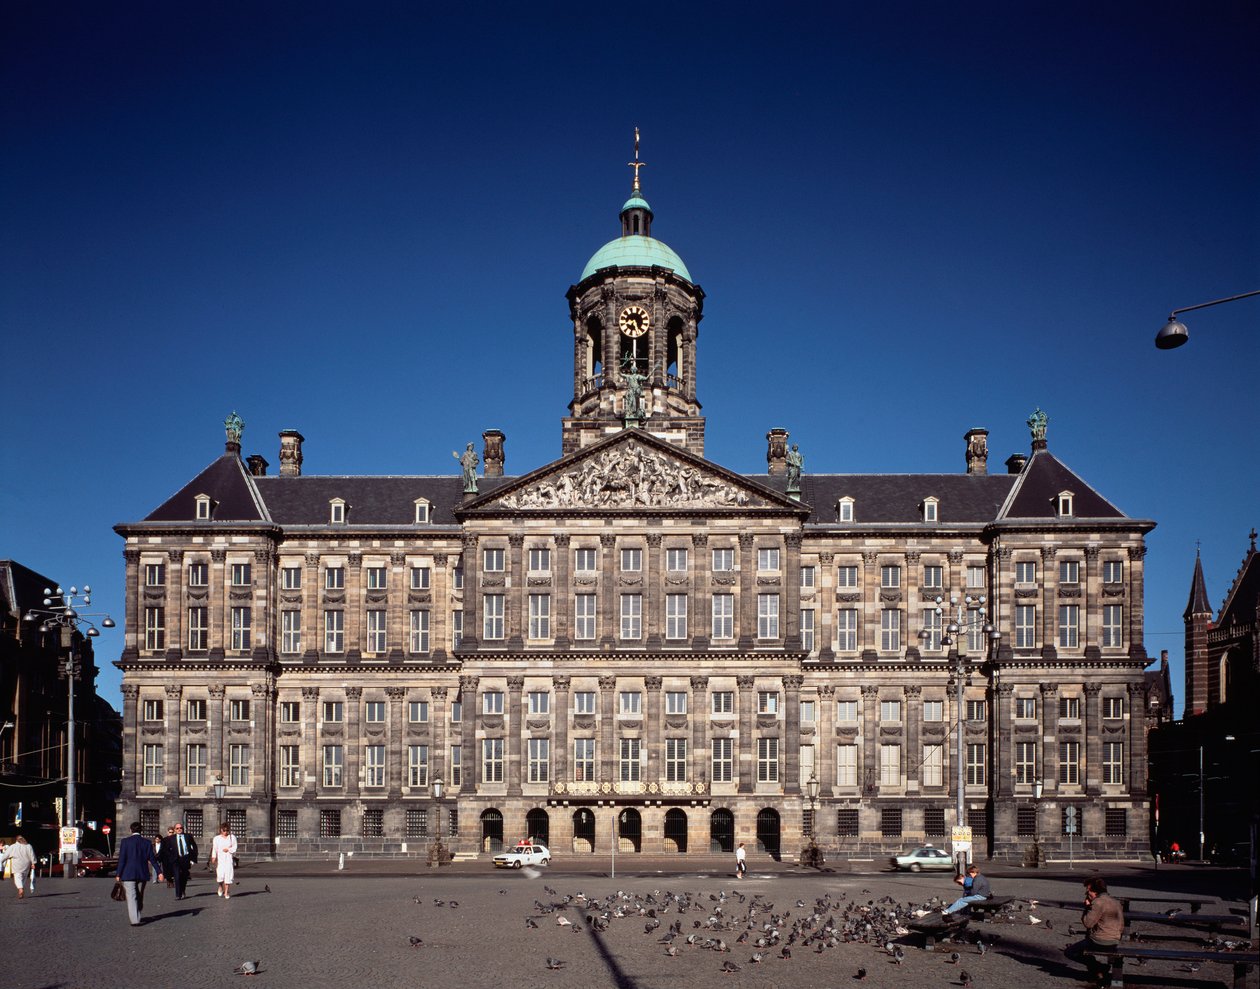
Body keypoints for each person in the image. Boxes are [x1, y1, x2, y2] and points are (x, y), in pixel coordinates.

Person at [1065, 876, 1125, 987]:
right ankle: (1097, 970)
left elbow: (1088, 923)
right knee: (1084, 946)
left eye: (1088, 890)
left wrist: (1087, 907)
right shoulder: (1115, 902)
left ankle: (1098, 967)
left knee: (1070, 951)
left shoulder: (1097, 903)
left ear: (1095, 891)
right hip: (1114, 940)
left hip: (1099, 941)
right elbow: (1121, 926)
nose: (1086, 893)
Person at [116, 821, 163, 926]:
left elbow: (122, 859)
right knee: (139, 895)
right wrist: (159, 872)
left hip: (128, 873)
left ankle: (135, 920)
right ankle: (137, 913)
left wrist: (118, 873)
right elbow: (152, 859)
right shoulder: (147, 843)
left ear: (130, 830)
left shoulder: (125, 842)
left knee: (132, 896)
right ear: (141, 831)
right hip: (142, 873)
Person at [159, 822, 198, 899]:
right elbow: (166, 849)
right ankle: (178, 895)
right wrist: (171, 857)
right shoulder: (171, 838)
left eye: (181, 828)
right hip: (176, 860)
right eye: (177, 828)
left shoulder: (188, 836)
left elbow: (194, 846)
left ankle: (183, 890)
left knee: (184, 877)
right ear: (175, 830)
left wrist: (193, 858)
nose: (179, 829)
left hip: (186, 858)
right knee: (177, 876)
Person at [3, 835, 37, 899]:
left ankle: (20, 889)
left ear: (16, 840)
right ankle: (21, 889)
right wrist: (33, 863)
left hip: (17, 864)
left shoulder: (13, 846)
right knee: (24, 877)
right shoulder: (28, 846)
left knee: (17, 877)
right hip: (26, 865)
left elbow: (6, 855)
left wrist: (1, 861)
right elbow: (32, 855)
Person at [211, 822, 238, 898]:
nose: (225, 832)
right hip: (220, 858)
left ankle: (226, 892)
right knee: (220, 875)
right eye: (224, 830)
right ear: (221, 830)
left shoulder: (232, 837)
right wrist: (214, 857)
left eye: (227, 830)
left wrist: (229, 849)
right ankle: (220, 886)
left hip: (228, 858)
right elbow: (214, 848)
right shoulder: (216, 838)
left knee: (228, 875)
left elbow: (235, 847)